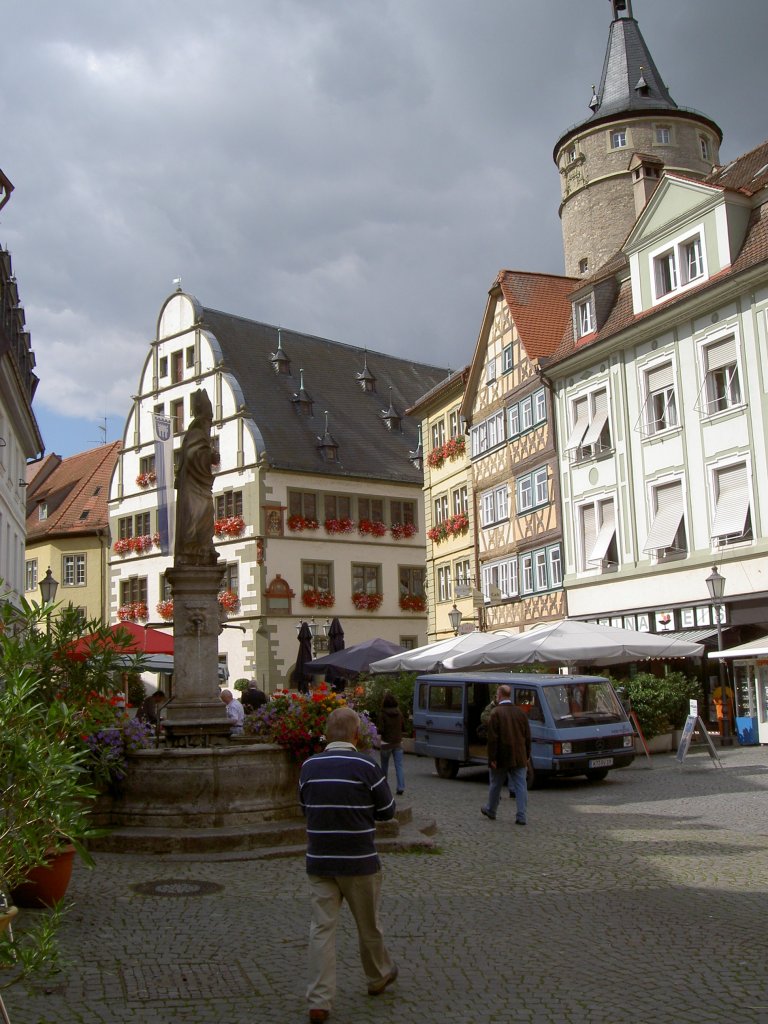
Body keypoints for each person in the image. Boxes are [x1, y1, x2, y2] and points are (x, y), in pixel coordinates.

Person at [299, 707, 398, 1022]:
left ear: (328, 734)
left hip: (320, 859)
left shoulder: (309, 767)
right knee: (368, 925)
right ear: (356, 734)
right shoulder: (366, 766)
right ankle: (378, 976)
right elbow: (387, 810)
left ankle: (319, 1000)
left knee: (321, 929)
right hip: (358, 859)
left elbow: (305, 806)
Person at [174, 388, 218, 566]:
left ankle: (203, 546)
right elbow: (193, 456)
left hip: (198, 486)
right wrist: (210, 457)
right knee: (199, 513)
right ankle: (194, 548)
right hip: (194, 489)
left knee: (206, 513)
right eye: (209, 421)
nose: (210, 426)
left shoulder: (198, 434)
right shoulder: (196, 433)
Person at [481, 683, 531, 825]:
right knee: (521, 786)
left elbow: (493, 739)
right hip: (519, 755)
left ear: (499, 695)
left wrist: (492, 758)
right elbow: (527, 736)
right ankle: (521, 815)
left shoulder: (495, 713)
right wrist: (527, 754)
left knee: (495, 784)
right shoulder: (520, 712)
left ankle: (491, 809)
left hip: (501, 756)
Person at [378, 692, 405, 795]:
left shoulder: (382, 714)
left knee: (384, 766)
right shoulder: (399, 713)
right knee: (399, 766)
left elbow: (381, 729)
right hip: (398, 742)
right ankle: (401, 787)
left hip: (386, 743)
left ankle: (384, 787)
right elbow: (403, 727)